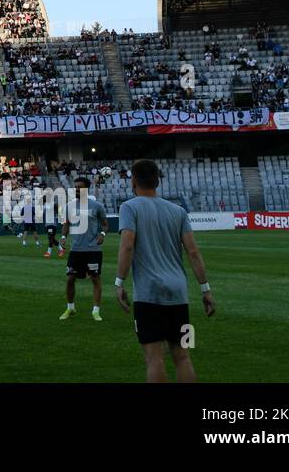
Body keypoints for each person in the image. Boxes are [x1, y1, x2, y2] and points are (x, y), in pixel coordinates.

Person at [115, 160, 214, 382]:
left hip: (149, 293)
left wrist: (119, 282)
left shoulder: (129, 207)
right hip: (179, 294)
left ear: (133, 181)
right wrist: (205, 289)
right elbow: (193, 252)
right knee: (183, 355)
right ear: (157, 181)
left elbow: (127, 245)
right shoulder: (178, 211)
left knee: (154, 358)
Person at [60, 176, 107, 321]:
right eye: (76, 187)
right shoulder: (69, 206)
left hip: (93, 249)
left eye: (80, 187)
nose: (77, 190)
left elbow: (105, 224)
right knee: (69, 279)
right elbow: (66, 224)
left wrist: (102, 233)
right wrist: (63, 237)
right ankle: (70, 308)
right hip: (76, 250)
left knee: (95, 279)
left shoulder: (97, 206)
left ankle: (95, 311)